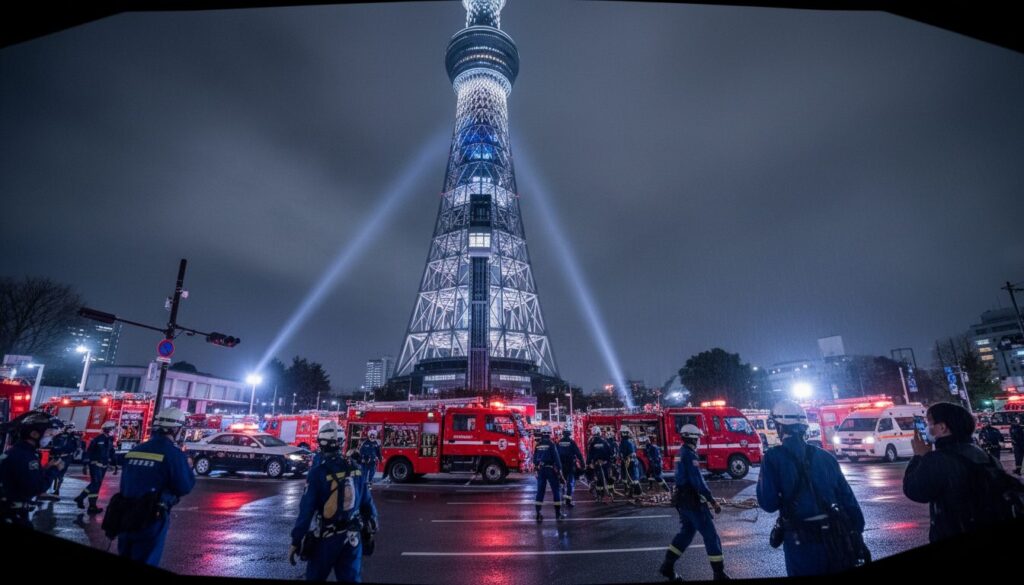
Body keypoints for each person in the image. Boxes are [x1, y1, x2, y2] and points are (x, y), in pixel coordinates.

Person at [757, 400, 866, 576]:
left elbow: (768, 503)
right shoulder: (826, 457)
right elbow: (850, 504)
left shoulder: (772, 458)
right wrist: (855, 536)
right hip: (836, 541)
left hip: (801, 546)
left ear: (780, 427)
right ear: (803, 427)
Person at [903, 402, 1016, 542]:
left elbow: (914, 491)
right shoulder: (987, 457)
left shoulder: (938, 459)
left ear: (942, 427)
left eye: (930, 423)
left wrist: (919, 456)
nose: (927, 428)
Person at [290, 422, 378, 582]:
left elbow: (306, 510)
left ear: (322, 443)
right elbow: (367, 503)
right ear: (342, 443)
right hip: (352, 539)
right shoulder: (355, 468)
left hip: (326, 539)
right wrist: (372, 525)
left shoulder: (318, 473)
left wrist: (296, 540)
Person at [111, 407, 195, 566]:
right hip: (151, 517)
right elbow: (184, 486)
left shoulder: (136, 450)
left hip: (125, 515)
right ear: (175, 429)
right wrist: (187, 468)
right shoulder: (174, 455)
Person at [659, 424, 729, 582]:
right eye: (697, 438)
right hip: (694, 503)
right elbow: (698, 481)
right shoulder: (690, 455)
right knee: (711, 536)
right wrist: (712, 501)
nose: (698, 440)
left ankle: (667, 566)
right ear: (692, 438)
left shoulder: (680, 453)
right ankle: (719, 574)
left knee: (686, 534)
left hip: (683, 501)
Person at [0, 411, 65, 528]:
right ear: (34, 434)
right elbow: (35, 488)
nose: (50, 438)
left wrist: (45, 469)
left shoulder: (17, 452)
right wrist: (54, 470)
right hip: (14, 514)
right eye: (49, 433)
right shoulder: (26, 457)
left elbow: (23, 479)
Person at [75, 420, 118, 514]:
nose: (114, 431)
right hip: (95, 464)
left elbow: (112, 453)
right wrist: (85, 465)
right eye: (112, 429)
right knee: (95, 483)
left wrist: (115, 465)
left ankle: (91, 505)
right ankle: (82, 499)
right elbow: (89, 451)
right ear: (107, 429)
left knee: (97, 485)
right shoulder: (98, 439)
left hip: (103, 466)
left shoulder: (110, 440)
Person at [532, 428, 563, 521]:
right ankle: (558, 514)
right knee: (556, 490)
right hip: (550, 470)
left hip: (541, 470)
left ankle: (538, 514)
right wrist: (560, 470)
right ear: (549, 434)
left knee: (540, 491)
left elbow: (534, 459)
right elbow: (556, 458)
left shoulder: (538, 445)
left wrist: (536, 467)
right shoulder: (551, 444)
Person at [42, 421, 79, 499]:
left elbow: (75, 448)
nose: (70, 429)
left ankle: (55, 490)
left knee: (58, 474)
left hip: (65, 458)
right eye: (69, 428)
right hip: (57, 457)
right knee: (51, 473)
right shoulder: (60, 436)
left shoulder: (73, 437)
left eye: (71, 428)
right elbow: (53, 446)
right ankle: (46, 490)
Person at [556, 428, 585, 508]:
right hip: (570, 465)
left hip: (561, 465)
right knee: (570, 482)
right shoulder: (572, 442)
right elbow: (578, 454)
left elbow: (555, 455)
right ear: (569, 434)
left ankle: (561, 496)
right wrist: (583, 464)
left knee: (561, 481)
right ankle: (568, 501)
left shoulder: (559, 443)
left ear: (563, 434)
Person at [586, 426, 615, 503]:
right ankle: (611, 493)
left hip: (597, 464)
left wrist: (588, 463)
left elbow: (589, 455)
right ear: (599, 433)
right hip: (605, 464)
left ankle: (600, 496)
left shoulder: (592, 443)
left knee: (599, 480)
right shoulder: (604, 442)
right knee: (608, 478)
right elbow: (610, 453)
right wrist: (610, 461)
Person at [619, 428, 642, 497]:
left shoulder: (625, 442)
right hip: (631, 462)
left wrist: (626, 460)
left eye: (621, 433)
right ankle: (633, 493)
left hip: (630, 462)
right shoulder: (629, 441)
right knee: (632, 478)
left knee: (633, 478)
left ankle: (638, 493)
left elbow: (630, 453)